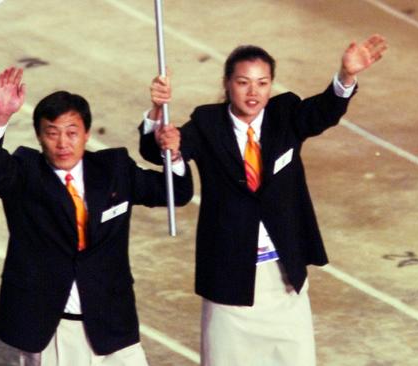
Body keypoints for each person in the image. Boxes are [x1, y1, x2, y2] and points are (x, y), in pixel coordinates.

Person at [139, 35, 387, 365]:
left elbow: (323, 111)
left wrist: (346, 76)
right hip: (230, 280)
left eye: (262, 83)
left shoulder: (285, 115)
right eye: (243, 82)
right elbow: (159, 153)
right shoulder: (207, 123)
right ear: (228, 84)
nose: (253, 93)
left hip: (284, 278)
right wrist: (160, 121)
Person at [0, 67, 193, 366]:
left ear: (87, 134)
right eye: (52, 133)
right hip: (53, 329)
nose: (63, 143)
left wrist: (174, 154)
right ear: (39, 136)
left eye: (72, 133)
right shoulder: (24, 175)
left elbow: (175, 192)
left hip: (113, 326)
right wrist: (0, 117)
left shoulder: (114, 170)